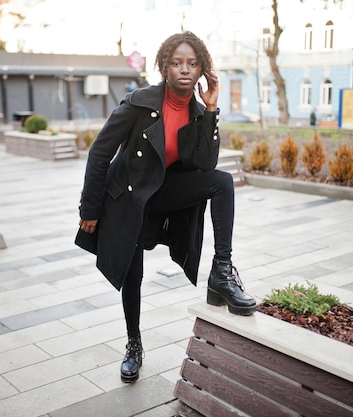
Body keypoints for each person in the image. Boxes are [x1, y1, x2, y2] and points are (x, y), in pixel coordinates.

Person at [75, 31, 256, 383]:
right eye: (176, 63)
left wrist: (213, 109)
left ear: (202, 69)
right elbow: (100, 152)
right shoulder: (138, 103)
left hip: (164, 192)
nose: (184, 70)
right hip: (128, 196)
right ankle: (134, 344)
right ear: (164, 67)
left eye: (192, 64)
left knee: (221, 181)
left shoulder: (199, 111)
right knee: (132, 272)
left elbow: (205, 164)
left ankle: (222, 270)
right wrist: (90, 209)